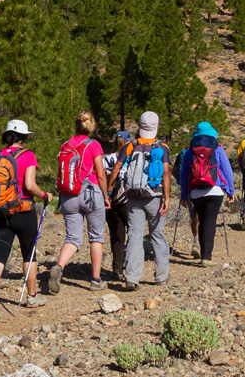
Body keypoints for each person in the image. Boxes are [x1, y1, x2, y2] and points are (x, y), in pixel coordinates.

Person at [0, 120, 51, 311]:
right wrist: (44, 195)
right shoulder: (28, 156)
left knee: (0, 255)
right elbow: (29, 185)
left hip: (0, 211)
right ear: (23, 138)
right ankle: (32, 296)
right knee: (29, 254)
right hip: (23, 211)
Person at [106, 111, 172, 290]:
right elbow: (166, 173)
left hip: (133, 196)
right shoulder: (162, 147)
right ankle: (161, 275)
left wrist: (110, 190)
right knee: (157, 234)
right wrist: (167, 197)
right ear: (157, 127)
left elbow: (117, 168)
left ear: (140, 127)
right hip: (155, 197)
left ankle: (132, 277)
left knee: (134, 235)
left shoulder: (130, 145)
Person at [49, 111, 109, 294]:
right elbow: (100, 174)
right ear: (91, 125)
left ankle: (59, 266)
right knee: (96, 237)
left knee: (73, 238)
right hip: (90, 194)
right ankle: (96, 279)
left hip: (68, 196)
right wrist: (106, 196)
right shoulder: (94, 145)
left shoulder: (65, 145)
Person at [178, 121, 235, 262]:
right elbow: (228, 171)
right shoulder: (218, 149)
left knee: (202, 221)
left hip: (196, 192)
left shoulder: (190, 151)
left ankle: (203, 252)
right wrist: (230, 190)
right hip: (215, 190)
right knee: (210, 222)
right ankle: (206, 257)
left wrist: (184, 195)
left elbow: (183, 174)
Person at [101, 130, 133, 281]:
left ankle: (117, 269)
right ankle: (131, 264)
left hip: (110, 199)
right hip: (127, 200)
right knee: (134, 231)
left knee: (116, 235)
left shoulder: (107, 159)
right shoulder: (131, 157)